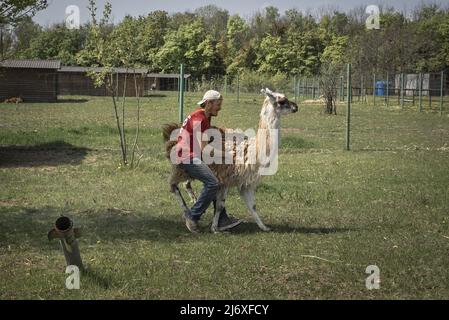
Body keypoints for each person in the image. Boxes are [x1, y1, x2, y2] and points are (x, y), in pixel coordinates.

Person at [175, 90, 243, 233]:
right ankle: (192, 216)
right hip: (187, 157)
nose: (220, 108)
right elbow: (205, 150)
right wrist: (229, 155)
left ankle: (222, 219)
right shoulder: (199, 120)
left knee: (217, 179)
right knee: (213, 183)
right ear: (209, 103)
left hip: (193, 154)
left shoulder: (204, 117)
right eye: (218, 104)